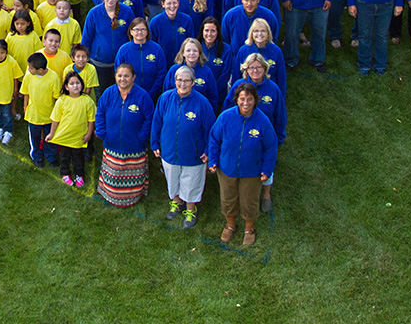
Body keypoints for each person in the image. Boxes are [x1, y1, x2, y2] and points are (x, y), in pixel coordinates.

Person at [208, 80, 278, 247]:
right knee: (227, 199)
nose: (245, 103)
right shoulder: (225, 117)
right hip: (227, 169)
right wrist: (213, 160)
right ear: (236, 100)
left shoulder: (263, 121)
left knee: (249, 201)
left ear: (255, 100)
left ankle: (249, 229)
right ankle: (230, 225)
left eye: (249, 99)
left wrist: (267, 169)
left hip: (252, 172)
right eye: (242, 99)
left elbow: (270, 147)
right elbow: (214, 139)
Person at [151, 66, 216, 229]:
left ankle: (190, 209)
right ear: (174, 81)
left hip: (193, 154)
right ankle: (176, 202)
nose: (183, 83)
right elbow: (157, 122)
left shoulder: (202, 103)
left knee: (191, 181)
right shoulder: (165, 99)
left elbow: (211, 129)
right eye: (179, 80)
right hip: (169, 150)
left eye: (187, 80)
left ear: (193, 82)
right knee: (172, 179)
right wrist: (155, 143)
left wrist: (209, 150)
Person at [94, 63, 155, 207]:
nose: (123, 79)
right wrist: (103, 132)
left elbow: (149, 119)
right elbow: (100, 114)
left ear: (133, 77)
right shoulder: (108, 93)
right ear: (115, 77)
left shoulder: (142, 96)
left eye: (126, 76)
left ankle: (132, 197)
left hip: (134, 146)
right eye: (119, 76)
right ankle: (110, 194)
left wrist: (141, 137)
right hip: (112, 144)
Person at [49, 70, 97, 188]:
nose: (75, 86)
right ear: (66, 86)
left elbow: (91, 120)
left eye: (77, 83)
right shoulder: (61, 101)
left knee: (78, 157)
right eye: (72, 84)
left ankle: (79, 174)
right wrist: (51, 134)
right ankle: (65, 172)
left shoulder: (87, 101)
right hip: (65, 137)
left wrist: (88, 134)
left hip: (79, 137)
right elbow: (55, 119)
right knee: (64, 156)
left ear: (82, 85)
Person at [21, 51, 63, 167]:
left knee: (50, 137)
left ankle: (51, 156)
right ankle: (37, 156)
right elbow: (25, 92)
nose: (28, 69)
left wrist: (56, 114)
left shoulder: (53, 77)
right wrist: (25, 106)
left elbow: (56, 98)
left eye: (30, 68)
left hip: (49, 115)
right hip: (33, 115)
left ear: (40, 70)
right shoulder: (29, 76)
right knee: (34, 137)